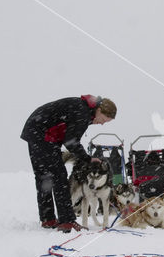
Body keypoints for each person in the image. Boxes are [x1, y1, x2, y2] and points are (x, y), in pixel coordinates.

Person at [21, 95, 117, 233]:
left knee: (44, 177)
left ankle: (48, 219)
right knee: (59, 176)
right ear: (99, 111)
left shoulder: (83, 109)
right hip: (41, 133)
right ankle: (67, 221)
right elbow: (71, 141)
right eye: (103, 120)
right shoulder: (83, 113)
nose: (102, 124)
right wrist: (87, 159)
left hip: (34, 130)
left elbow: (68, 136)